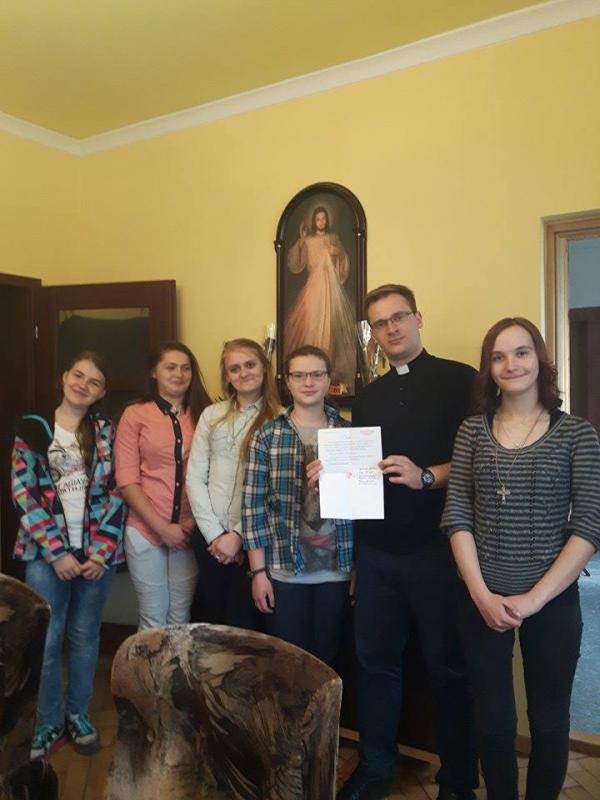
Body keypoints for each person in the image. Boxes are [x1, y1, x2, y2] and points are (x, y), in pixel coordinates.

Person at [326, 284, 479, 800]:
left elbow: (480, 459)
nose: (391, 328)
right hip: (377, 555)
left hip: (440, 551)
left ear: (418, 318)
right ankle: (375, 768)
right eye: (380, 322)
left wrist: (426, 476)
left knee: (448, 668)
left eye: (399, 317)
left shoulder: (462, 381)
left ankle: (458, 778)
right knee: (375, 664)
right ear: (372, 333)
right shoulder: (368, 396)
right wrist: (331, 475)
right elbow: (363, 473)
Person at [442, 318, 600, 800]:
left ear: (540, 359)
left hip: (552, 601)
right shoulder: (471, 431)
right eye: (498, 356)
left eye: (522, 352)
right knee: (493, 722)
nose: (511, 364)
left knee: (549, 723)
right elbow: (457, 514)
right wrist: (481, 595)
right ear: (488, 368)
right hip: (481, 599)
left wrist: (534, 599)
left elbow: (589, 524)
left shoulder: (577, 434)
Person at [11, 352, 125, 759]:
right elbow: (23, 492)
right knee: (46, 638)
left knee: (84, 636)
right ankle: (48, 721)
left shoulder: (107, 432)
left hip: (95, 554)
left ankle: (78, 715)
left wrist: (102, 552)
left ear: (102, 392)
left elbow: (119, 490)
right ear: (64, 377)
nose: (83, 385)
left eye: (94, 382)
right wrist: (56, 552)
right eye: (78, 375)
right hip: (46, 555)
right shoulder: (32, 428)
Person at [241, 345, 353, 665]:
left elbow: (361, 509)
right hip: (284, 571)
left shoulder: (349, 434)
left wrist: (358, 566)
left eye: (317, 374)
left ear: (328, 380)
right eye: (299, 375)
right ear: (287, 382)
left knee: (328, 662)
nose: (308, 382)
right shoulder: (267, 436)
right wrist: (258, 572)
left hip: (337, 572)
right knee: (288, 663)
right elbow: (253, 508)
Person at [115, 341, 211, 629]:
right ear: (155, 372)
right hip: (145, 529)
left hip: (188, 530)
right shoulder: (135, 414)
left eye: (185, 368)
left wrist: (190, 524)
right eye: (170, 367)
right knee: (153, 617)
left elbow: (213, 476)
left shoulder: (206, 413)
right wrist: (162, 528)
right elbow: (127, 479)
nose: (179, 374)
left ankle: (176, 663)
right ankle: (150, 664)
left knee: (180, 618)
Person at [186, 338, 280, 628]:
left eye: (250, 365)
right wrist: (215, 536)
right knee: (212, 622)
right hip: (210, 539)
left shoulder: (279, 419)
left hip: (255, 541)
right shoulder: (211, 416)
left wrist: (238, 536)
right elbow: (195, 478)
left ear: (264, 369)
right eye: (234, 368)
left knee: (245, 624)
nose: (243, 373)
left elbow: (274, 490)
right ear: (226, 376)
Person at [285, 205, 355, 389]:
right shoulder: (308, 240)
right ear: (314, 221)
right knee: (311, 323)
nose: (321, 222)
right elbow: (297, 264)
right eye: (318, 219)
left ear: (327, 220)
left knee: (329, 324)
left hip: (330, 286)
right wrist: (301, 240)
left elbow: (343, 260)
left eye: (324, 219)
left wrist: (337, 253)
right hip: (314, 285)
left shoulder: (333, 238)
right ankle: (310, 366)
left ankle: (325, 368)